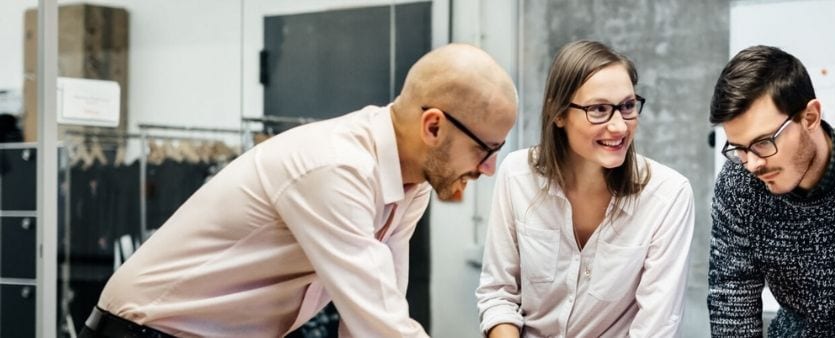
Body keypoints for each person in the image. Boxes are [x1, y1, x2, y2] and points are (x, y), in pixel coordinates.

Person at [80, 44, 518, 337]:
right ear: (434, 126)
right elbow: (381, 326)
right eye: (486, 148)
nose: (490, 167)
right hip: (142, 331)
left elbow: (372, 314)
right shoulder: (336, 168)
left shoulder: (411, 186)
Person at [475, 40, 695, 337]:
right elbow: (498, 294)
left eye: (628, 106)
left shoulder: (669, 195)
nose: (619, 126)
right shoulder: (517, 174)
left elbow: (655, 329)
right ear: (559, 113)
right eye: (599, 109)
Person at [707, 45, 835, 336]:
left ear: (809, 118)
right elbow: (732, 296)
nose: (753, 164)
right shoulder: (739, 181)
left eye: (763, 142)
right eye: (740, 149)